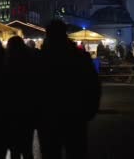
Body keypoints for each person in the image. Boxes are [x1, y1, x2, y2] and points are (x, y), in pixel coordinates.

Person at [37, 20, 101, 159]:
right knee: (76, 151)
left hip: (48, 116)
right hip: (75, 114)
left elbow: (32, 89)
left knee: (50, 153)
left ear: (47, 35)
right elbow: (93, 85)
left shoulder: (40, 59)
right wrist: (90, 110)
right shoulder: (80, 57)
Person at [4, 36, 37, 159]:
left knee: (14, 149)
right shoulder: (30, 62)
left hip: (11, 112)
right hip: (27, 111)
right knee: (27, 147)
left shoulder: (6, 63)